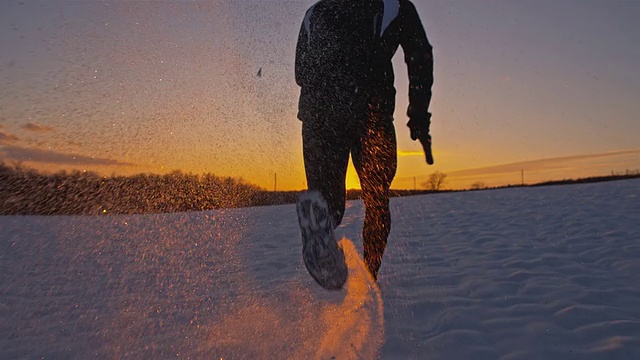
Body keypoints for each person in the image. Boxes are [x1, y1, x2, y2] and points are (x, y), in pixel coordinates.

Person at [295, 0, 434, 284]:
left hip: (318, 118)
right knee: (376, 198)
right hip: (370, 117)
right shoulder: (395, 6)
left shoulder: (315, 12)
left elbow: (301, 72)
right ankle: (371, 276)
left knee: (326, 202)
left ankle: (319, 225)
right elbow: (420, 56)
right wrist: (418, 114)